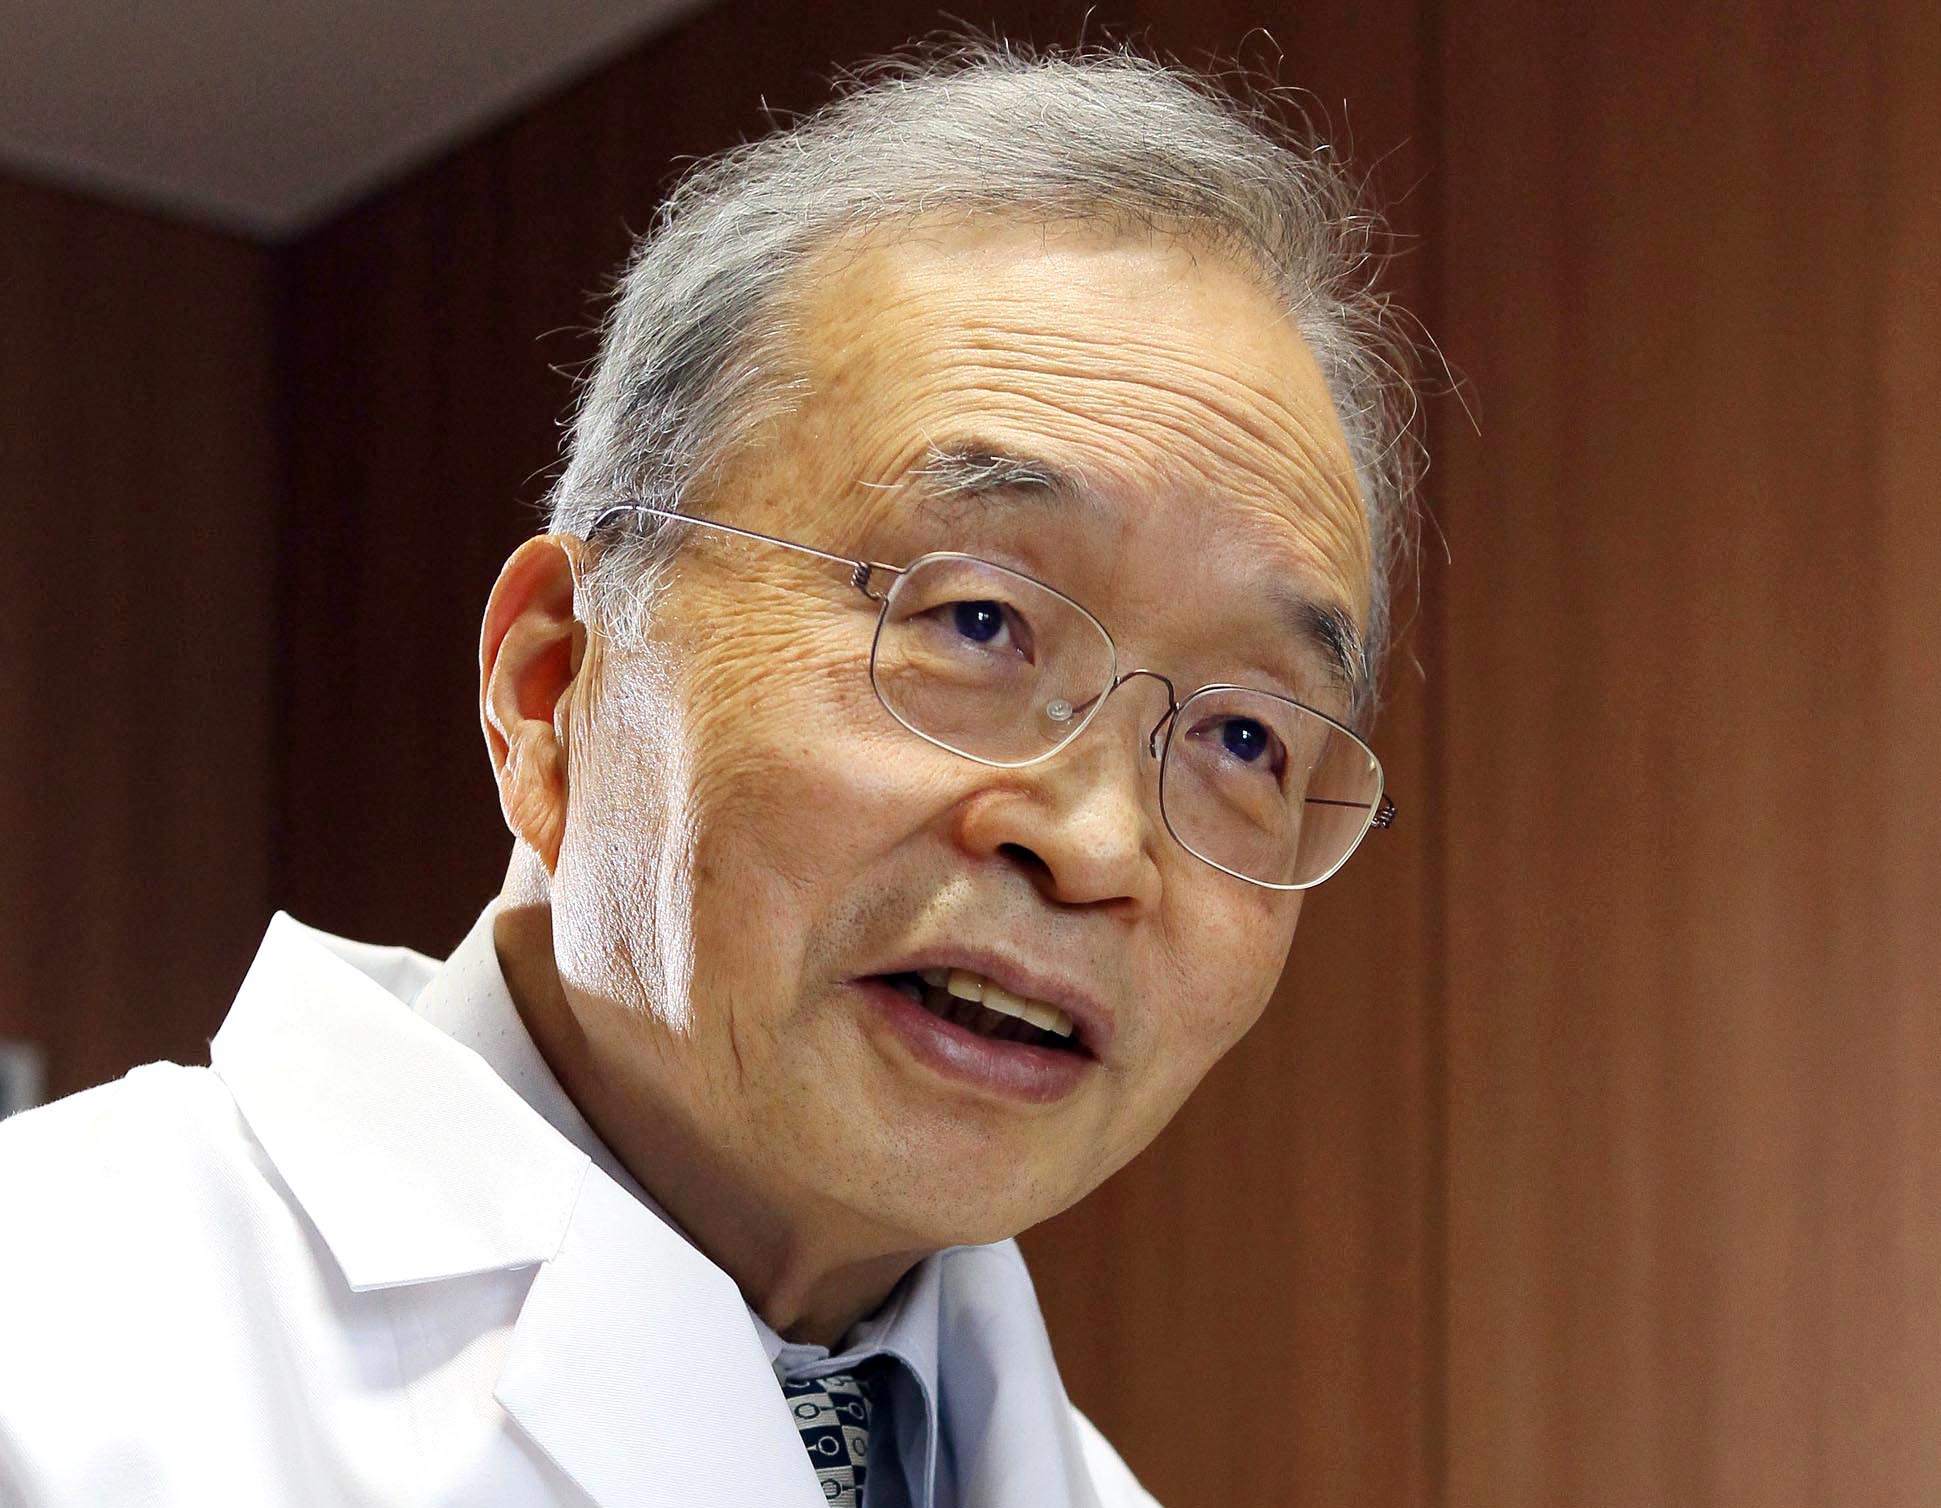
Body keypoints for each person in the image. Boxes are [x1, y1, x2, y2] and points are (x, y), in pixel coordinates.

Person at [0, 39, 1420, 1508]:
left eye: (1244, 737)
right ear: (555, 688)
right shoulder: (49, 1353)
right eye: (975, 621)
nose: (1099, 844)